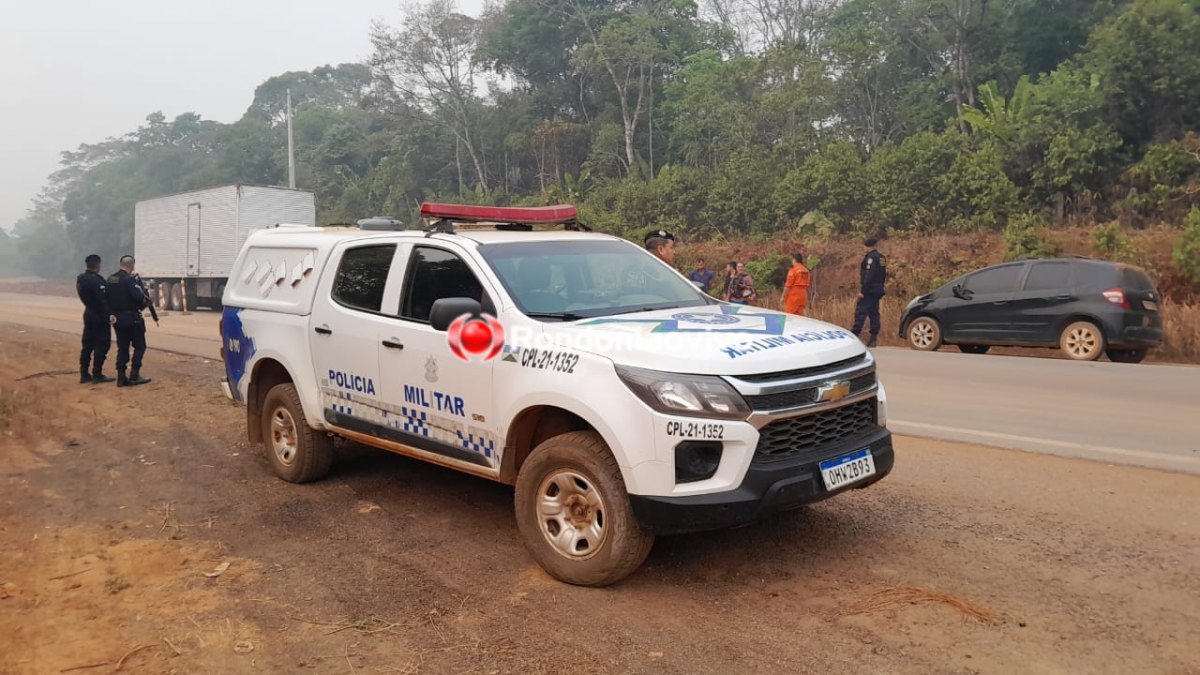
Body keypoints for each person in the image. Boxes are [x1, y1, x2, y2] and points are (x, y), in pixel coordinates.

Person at [106, 255, 153, 386]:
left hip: (116, 319)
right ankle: (134, 375)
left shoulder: (110, 279)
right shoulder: (129, 280)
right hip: (131, 318)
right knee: (140, 346)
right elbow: (139, 297)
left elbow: (106, 298)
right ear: (131, 266)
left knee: (122, 347)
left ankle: (121, 377)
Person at [75, 254, 115, 384]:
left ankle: (84, 374)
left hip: (88, 314)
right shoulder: (96, 281)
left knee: (87, 345)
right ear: (98, 264)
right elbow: (102, 300)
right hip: (100, 316)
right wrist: (109, 314)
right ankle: (97, 374)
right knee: (102, 345)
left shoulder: (81, 280)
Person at [851, 237, 887, 347]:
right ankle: (873, 338)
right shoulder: (881, 258)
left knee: (860, 312)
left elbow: (869, 275)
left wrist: (863, 291)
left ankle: (854, 335)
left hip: (869, 290)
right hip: (878, 289)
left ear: (868, 246)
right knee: (874, 313)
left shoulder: (871, 258)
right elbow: (884, 274)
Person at [782, 251, 811, 316]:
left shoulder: (793, 270)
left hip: (794, 296)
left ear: (794, 260)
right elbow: (807, 284)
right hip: (803, 295)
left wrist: (783, 297)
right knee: (799, 317)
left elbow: (788, 285)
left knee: (789, 317)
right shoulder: (806, 270)